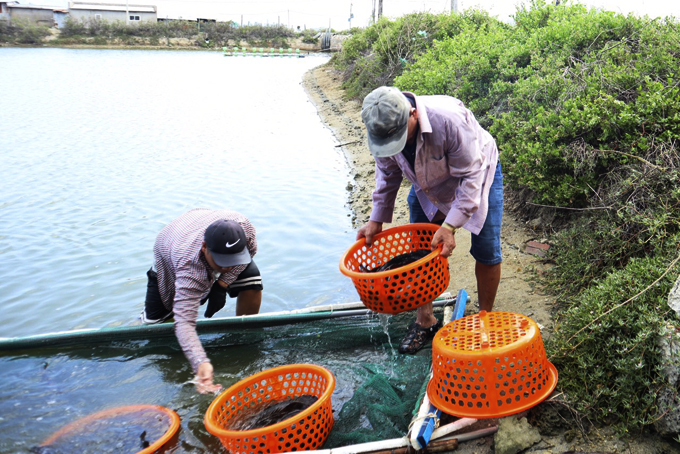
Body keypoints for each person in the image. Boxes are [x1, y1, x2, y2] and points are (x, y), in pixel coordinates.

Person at [357, 86, 503, 354]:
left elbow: (471, 176)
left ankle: (485, 318)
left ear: (412, 114)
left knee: (486, 247)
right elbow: (387, 174)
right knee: (419, 251)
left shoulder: (447, 119)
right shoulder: (380, 127)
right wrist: (376, 220)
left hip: (478, 172)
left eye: (399, 138)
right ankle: (425, 320)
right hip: (427, 181)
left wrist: (449, 226)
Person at [140, 208, 263, 393]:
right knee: (154, 325)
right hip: (170, 252)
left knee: (252, 281)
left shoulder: (245, 230)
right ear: (205, 247)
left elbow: (249, 254)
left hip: (198, 226)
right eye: (223, 262)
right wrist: (201, 362)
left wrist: (221, 284)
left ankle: (244, 336)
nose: (229, 266)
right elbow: (185, 322)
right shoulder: (189, 268)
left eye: (233, 260)